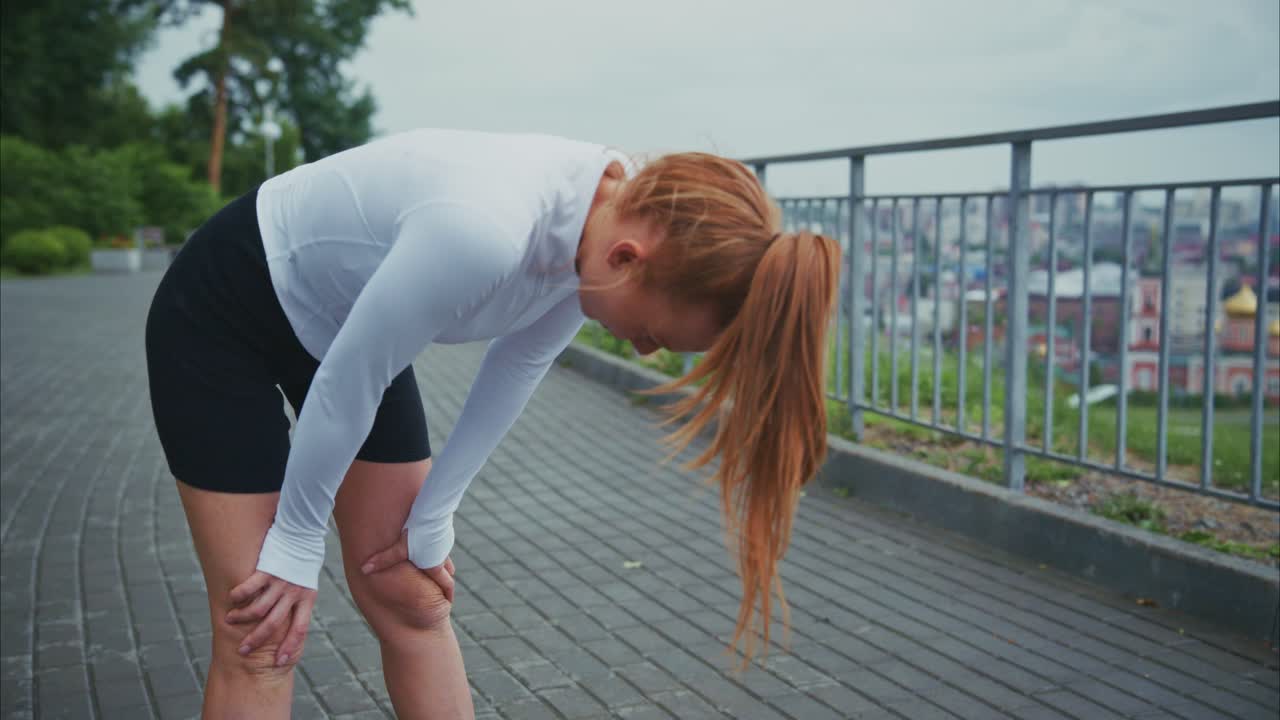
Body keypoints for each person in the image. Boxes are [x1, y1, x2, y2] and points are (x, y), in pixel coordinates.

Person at [144, 128, 841, 719]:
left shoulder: (605, 233)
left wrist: (434, 517)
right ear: (629, 260)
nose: (644, 349)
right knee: (261, 632)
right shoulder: (484, 229)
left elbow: (516, 367)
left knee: (412, 598)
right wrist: (295, 542)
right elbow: (349, 381)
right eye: (655, 333)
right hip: (225, 310)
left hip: (346, 336)